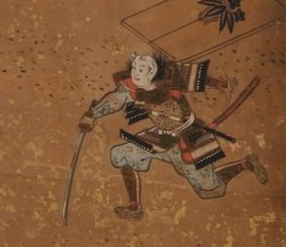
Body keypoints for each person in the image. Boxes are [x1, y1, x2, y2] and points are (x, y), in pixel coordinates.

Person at [78, 53, 265, 219]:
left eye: (141, 70)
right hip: (162, 136)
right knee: (123, 154)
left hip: (190, 135)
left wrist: (221, 84)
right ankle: (134, 207)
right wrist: (92, 115)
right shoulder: (133, 87)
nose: (135, 73)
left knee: (209, 189)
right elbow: (115, 99)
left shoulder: (171, 80)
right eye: (134, 68)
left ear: (152, 72)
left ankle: (246, 164)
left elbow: (198, 78)